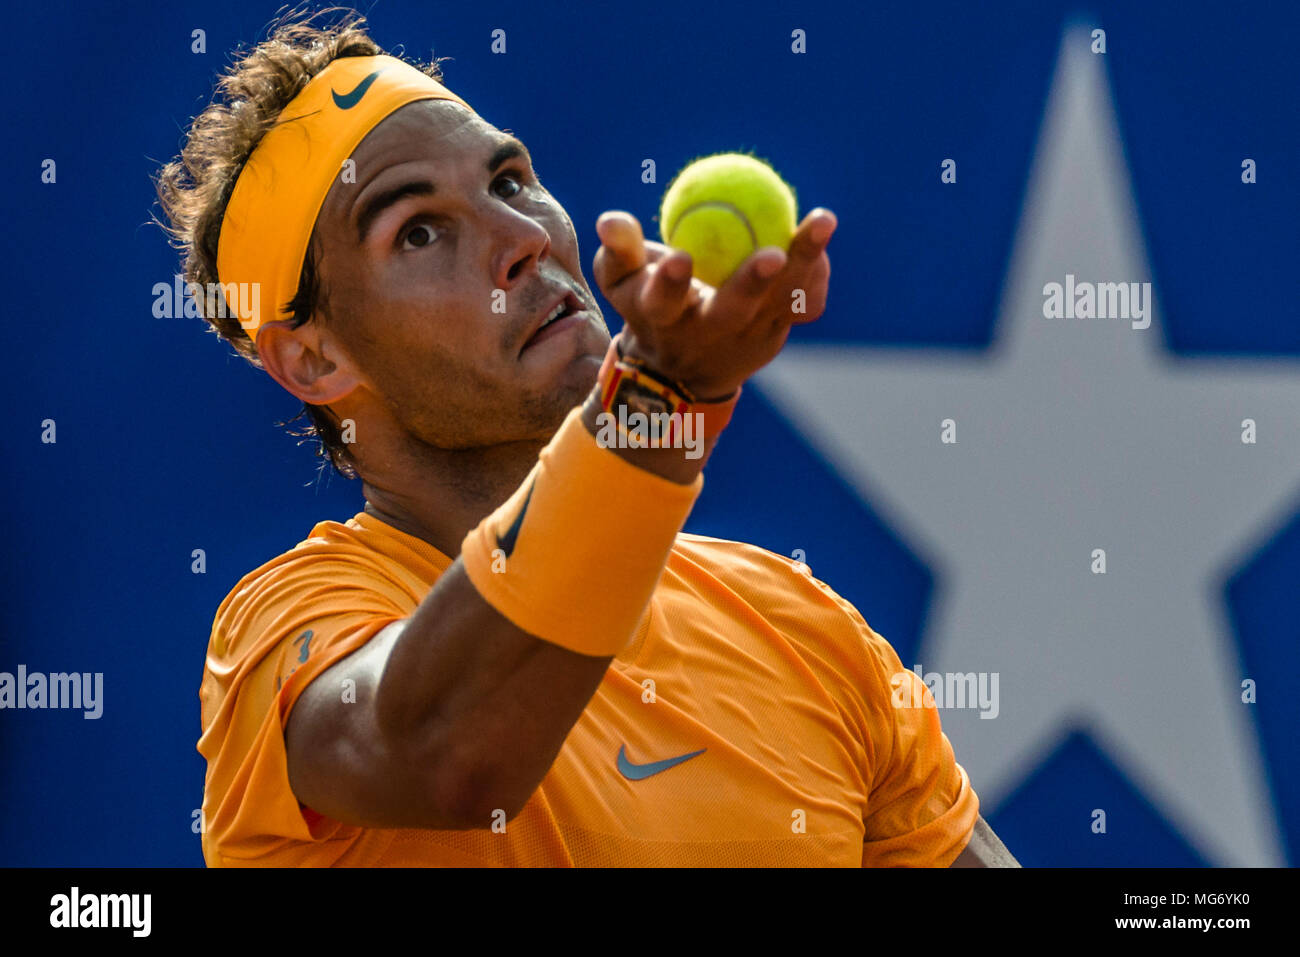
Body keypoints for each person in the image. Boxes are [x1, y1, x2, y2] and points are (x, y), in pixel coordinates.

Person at [156, 10, 1018, 867]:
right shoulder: (283, 625)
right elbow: (449, 759)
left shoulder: (808, 632)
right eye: (418, 230)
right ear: (312, 359)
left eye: (508, 182)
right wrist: (648, 407)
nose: (524, 240)